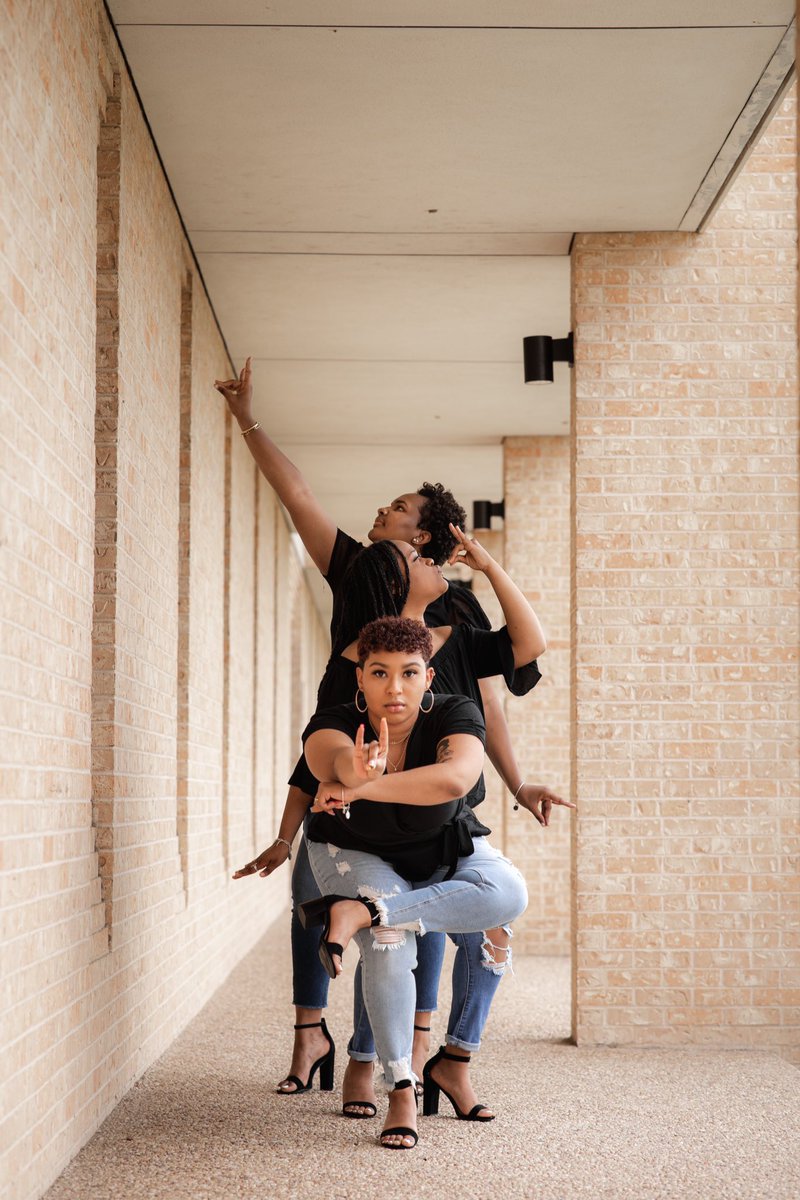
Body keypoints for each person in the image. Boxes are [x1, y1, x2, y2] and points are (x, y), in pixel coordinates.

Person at [215, 357, 563, 1099]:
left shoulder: (459, 621)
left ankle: (413, 1058)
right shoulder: (361, 602)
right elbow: (297, 493)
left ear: (429, 543)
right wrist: (248, 417)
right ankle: (333, 1045)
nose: (382, 514)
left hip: (434, 792)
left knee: (426, 916)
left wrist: (516, 779)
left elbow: (498, 695)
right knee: (330, 892)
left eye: (399, 513)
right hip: (350, 776)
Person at [301, 616, 529, 1149]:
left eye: (408, 673)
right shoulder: (333, 722)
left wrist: (357, 791)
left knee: (508, 894)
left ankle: (363, 911)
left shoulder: (455, 711)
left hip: (443, 844)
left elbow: (454, 778)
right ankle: (401, 1086)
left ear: (429, 677)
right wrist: (354, 769)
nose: (394, 687)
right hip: (351, 849)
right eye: (379, 673)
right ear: (360, 677)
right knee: (388, 942)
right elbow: (329, 759)